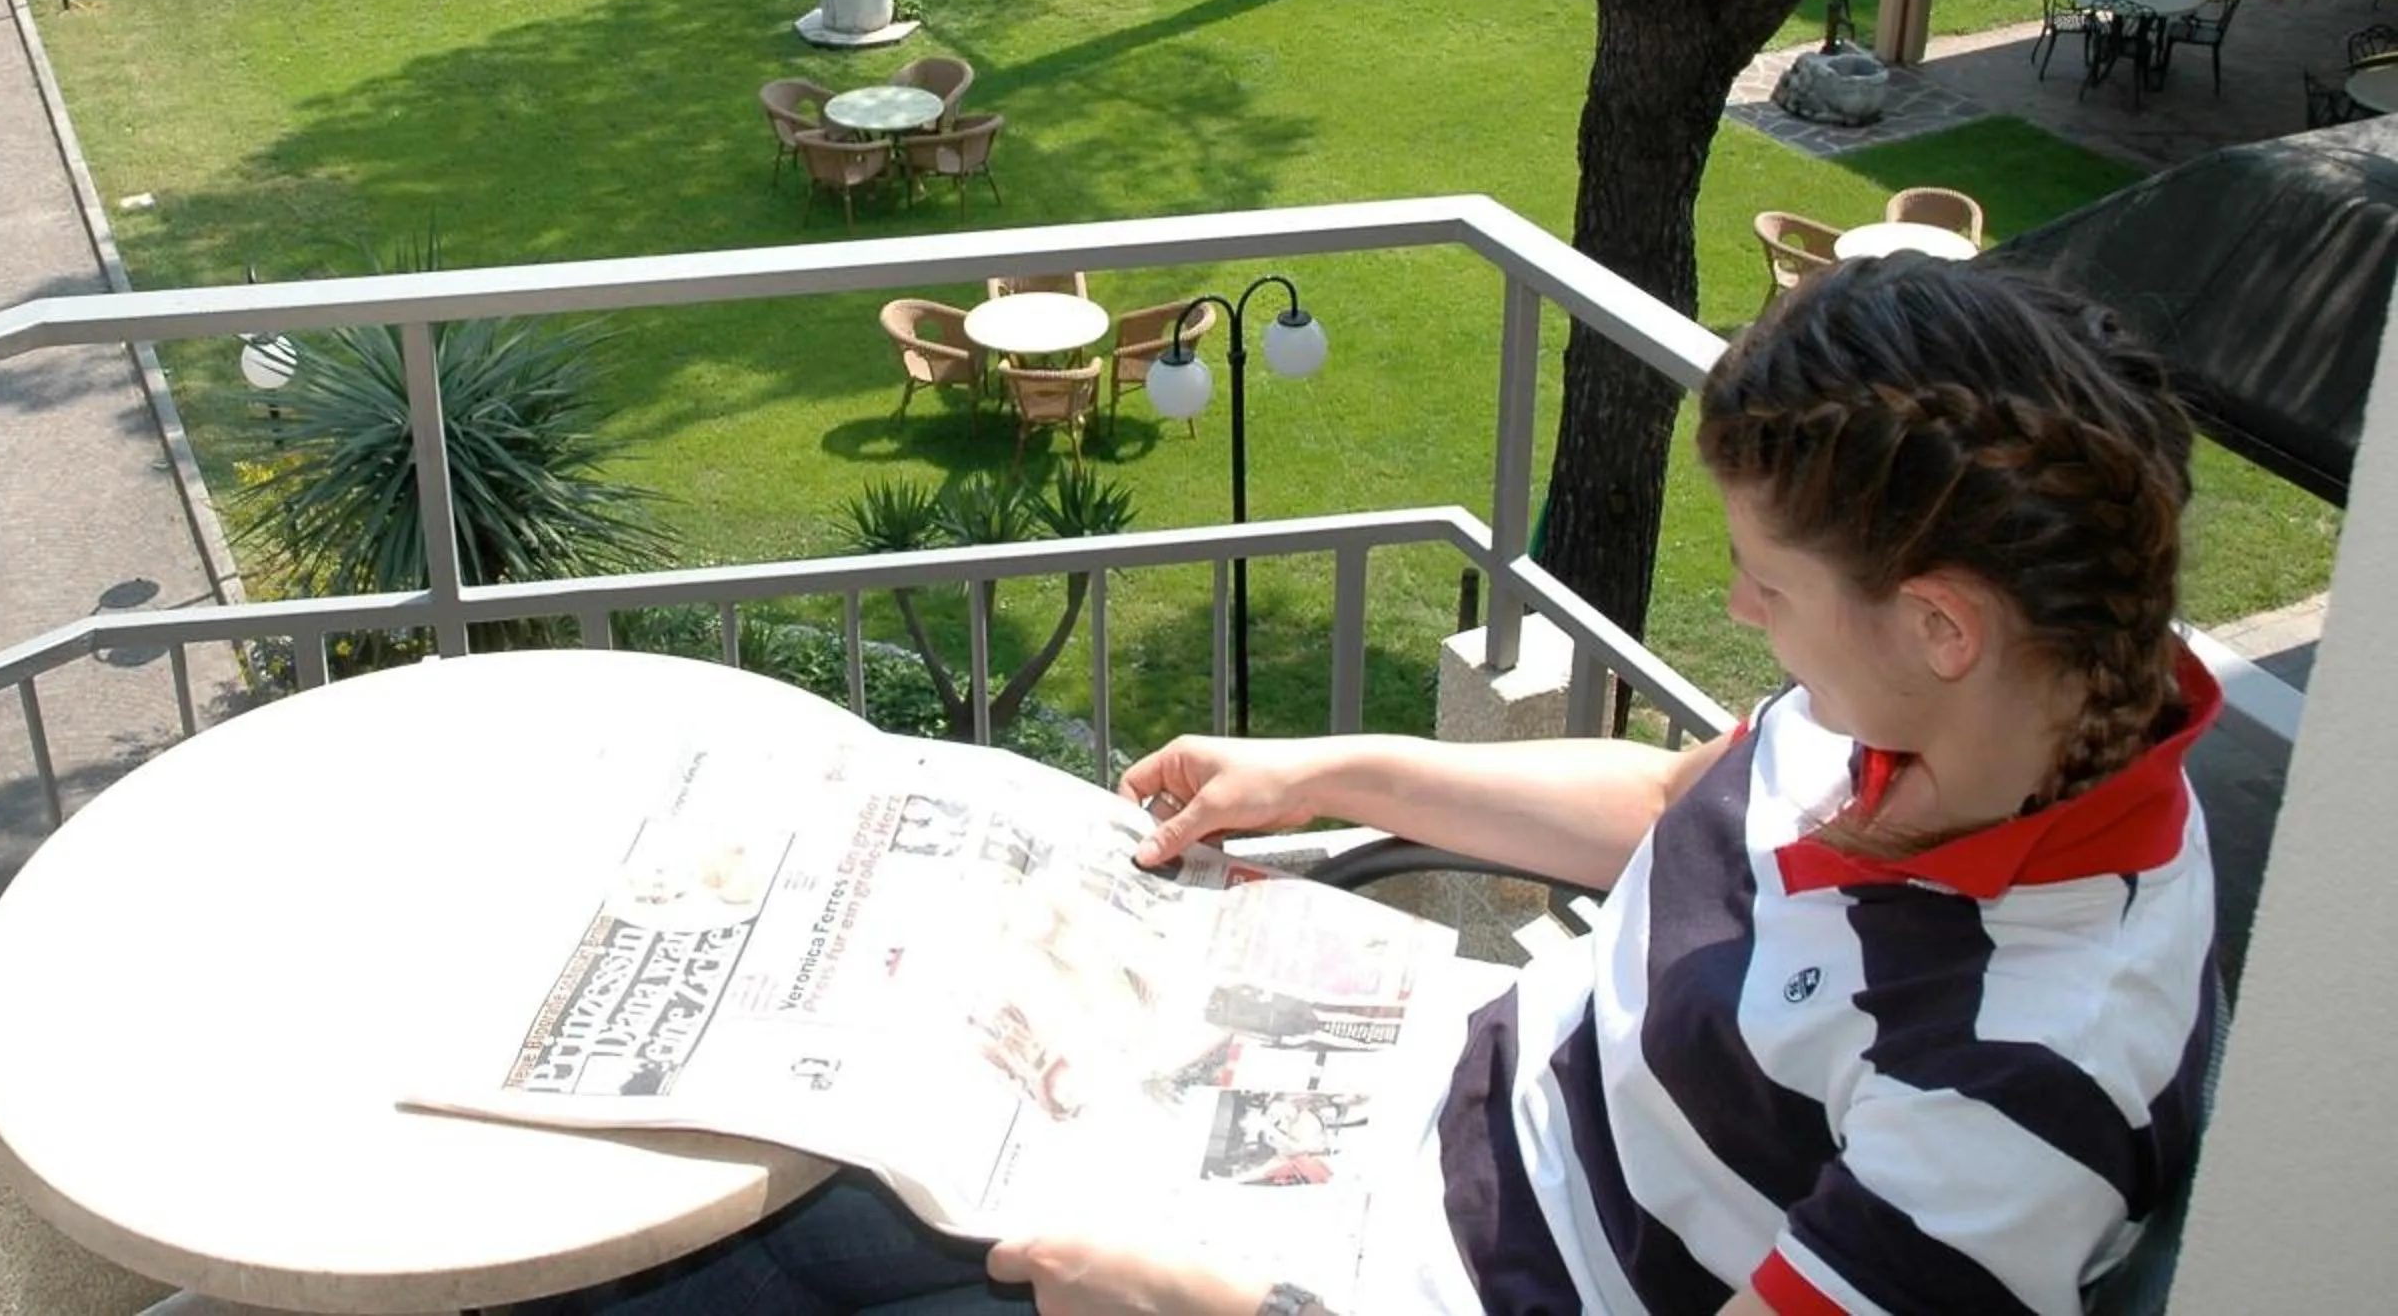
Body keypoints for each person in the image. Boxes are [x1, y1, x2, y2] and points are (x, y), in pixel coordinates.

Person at [534, 258, 2218, 1315]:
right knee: (801, 1184)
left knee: (764, 1262)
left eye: (1767, 584)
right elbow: (1669, 810)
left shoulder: (2024, 1085)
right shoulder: (1958, 726)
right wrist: (1314, 769)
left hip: (1400, 1273)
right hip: (1409, 1105)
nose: (1746, 615)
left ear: (1939, 621)